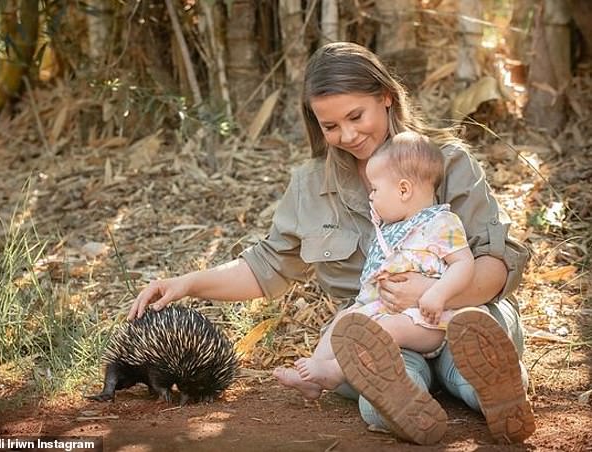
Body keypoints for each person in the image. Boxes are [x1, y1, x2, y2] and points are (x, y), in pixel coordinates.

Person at [128, 42, 535, 445]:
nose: (349, 135)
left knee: (469, 359)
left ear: (386, 98)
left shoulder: (445, 161)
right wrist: (187, 283)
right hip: (375, 326)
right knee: (377, 389)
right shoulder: (310, 185)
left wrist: (434, 294)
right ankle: (408, 401)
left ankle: (491, 393)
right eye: (331, 126)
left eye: (356, 116)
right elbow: (268, 265)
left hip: (466, 312)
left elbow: (496, 262)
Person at [289, 130, 477, 395]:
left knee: (383, 329)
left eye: (375, 189)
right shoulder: (390, 228)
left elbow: (463, 264)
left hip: (424, 321)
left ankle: (336, 372)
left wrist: (437, 293)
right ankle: (314, 376)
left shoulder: (439, 222)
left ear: (403, 189)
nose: (372, 197)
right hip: (381, 311)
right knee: (344, 320)